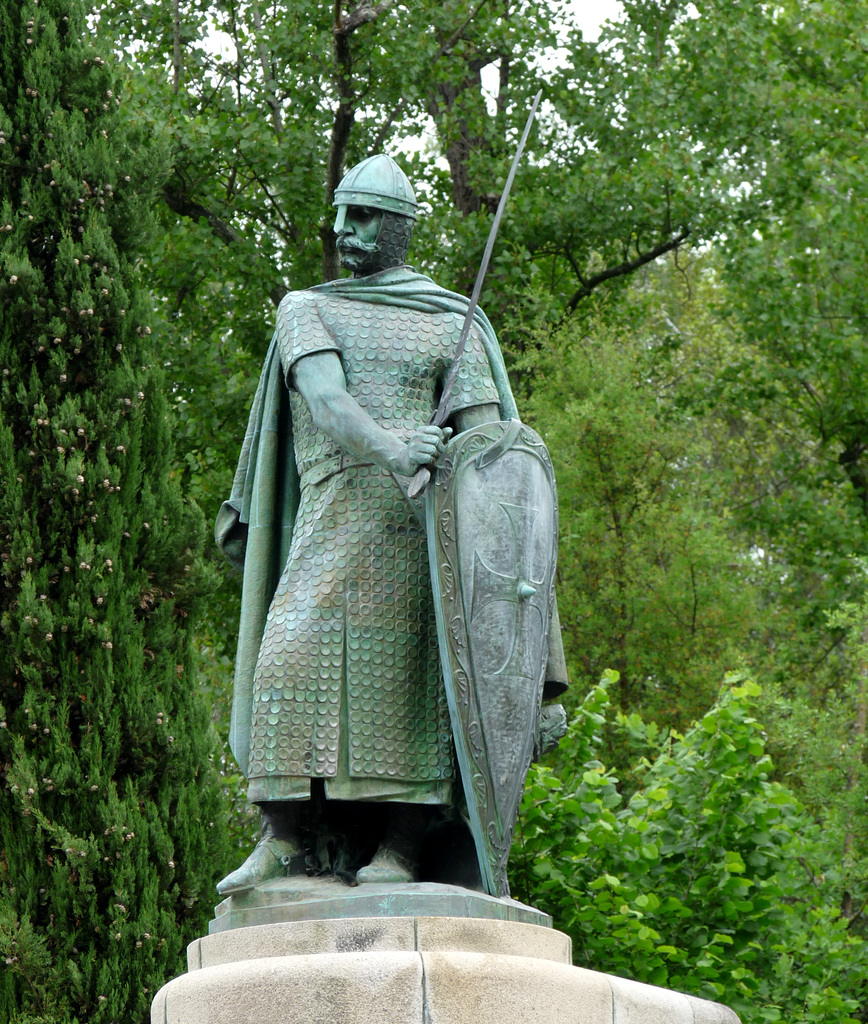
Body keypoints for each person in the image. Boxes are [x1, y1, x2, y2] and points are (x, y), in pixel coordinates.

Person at [215, 155, 566, 896]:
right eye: (341, 215)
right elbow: (327, 400)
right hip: (332, 521)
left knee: (420, 687)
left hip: (426, 542)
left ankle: (404, 849)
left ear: (401, 227)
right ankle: (282, 835)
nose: (345, 230)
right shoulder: (307, 307)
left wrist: (464, 463)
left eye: (364, 215)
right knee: (290, 655)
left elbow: (493, 455)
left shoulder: (452, 325)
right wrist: (396, 445)